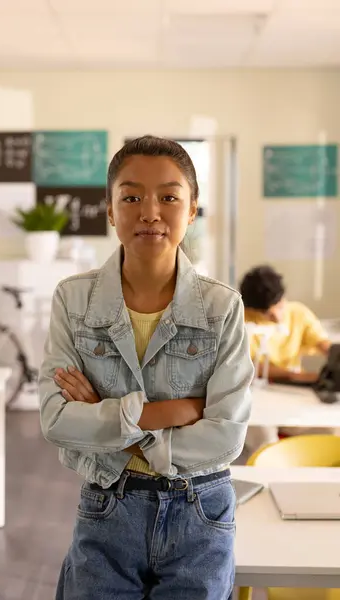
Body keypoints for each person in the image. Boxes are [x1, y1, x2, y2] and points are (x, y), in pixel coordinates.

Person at [39, 135, 254, 600]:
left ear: (192, 209)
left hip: (201, 511)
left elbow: (226, 435)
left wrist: (105, 415)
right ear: (111, 210)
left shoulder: (222, 307)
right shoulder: (73, 300)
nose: (150, 212)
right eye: (131, 196)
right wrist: (171, 412)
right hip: (107, 503)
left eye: (169, 197)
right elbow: (55, 420)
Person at [240, 265, 332, 450]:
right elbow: (247, 367)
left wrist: (333, 357)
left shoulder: (298, 313)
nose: (277, 317)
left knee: (329, 430)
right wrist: (297, 375)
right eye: (267, 313)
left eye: (280, 307)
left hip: (292, 394)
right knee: (265, 440)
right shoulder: (241, 320)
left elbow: (322, 343)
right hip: (255, 396)